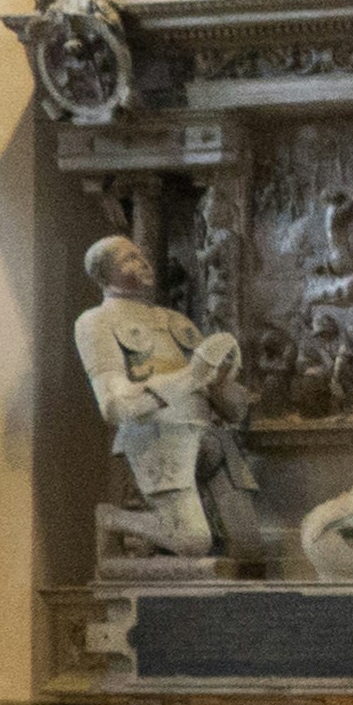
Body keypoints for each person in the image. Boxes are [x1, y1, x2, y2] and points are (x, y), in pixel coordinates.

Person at [73, 234, 265, 563]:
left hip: (210, 434)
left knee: (249, 547)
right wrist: (190, 376)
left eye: (140, 255)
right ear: (104, 275)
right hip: (158, 435)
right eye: (127, 259)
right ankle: (114, 520)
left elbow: (232, 411)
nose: (142, 263)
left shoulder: (177, 322)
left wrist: (220, 383)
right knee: (192, 542)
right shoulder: (95, 321)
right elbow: (115, 405)